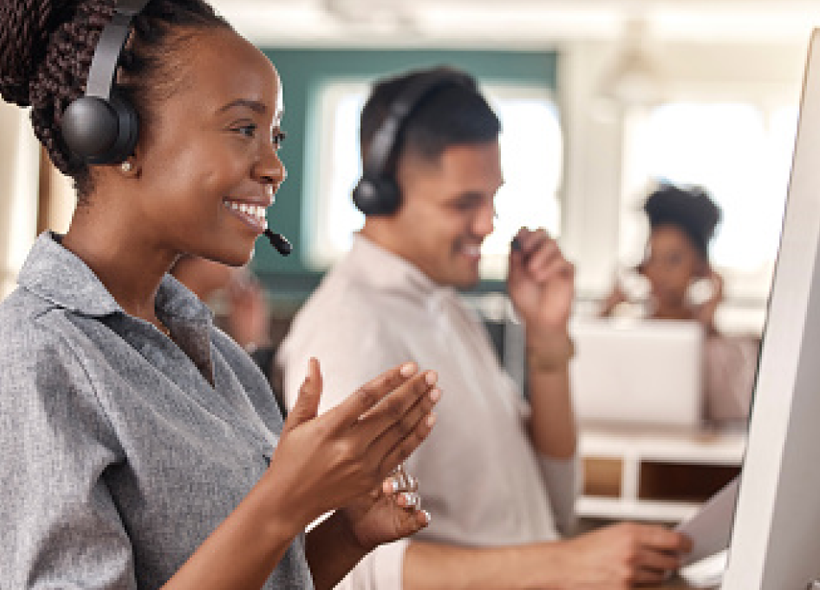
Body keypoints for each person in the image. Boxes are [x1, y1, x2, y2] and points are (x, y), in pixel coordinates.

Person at [0, 1, 444, 588]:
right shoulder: (26, 360)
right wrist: (283, 502)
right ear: (114, 133)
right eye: (244, 129)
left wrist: (346, 533)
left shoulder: (220, 361)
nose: (275, 167)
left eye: (274, 136)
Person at [276, 66, 693, 589]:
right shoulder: (351, 329)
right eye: (464, 203)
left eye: (491, 197)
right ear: (380, 193)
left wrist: (546, 338)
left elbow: (554, 504)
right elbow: (353, 573)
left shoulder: (443, 305)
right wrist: (571, 566)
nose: (488, 224)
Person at [599, 183, 757, 422]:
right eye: (652, 258)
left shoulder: (728, 348)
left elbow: (730, 417)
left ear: (701, 267)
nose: (659, 272)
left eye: (673, 260)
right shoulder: (627, 335)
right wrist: (602, 316)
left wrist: (705, 326)